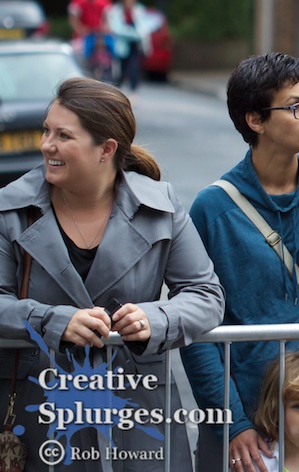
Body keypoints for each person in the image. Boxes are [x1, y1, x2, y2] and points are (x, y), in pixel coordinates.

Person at [0, 77, 225, 470]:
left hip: (139, 410)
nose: (47, 145)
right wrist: (51, 320)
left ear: (106, 149)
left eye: (63, 135)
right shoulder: (11, 208)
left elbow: (205, 294)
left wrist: (156, 319)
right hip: (41, 413)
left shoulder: (161, 206)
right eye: (47, 131)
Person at [181, 53, 299, 472]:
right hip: (245, 423)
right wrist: (231, 423)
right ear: (256, 120)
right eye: (296, 106)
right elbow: (195, 329)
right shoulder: (212, 210)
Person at [67, 0, 114, 81]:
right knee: (77, 56)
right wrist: (81, 30)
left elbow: (108, 19)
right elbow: (73, 19)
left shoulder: (104, 0)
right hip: (83, 37)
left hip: (99, 36)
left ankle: (105, 77)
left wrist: (103, 29)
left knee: (108, 54)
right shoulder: (78, 0)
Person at [105, 0, 150, 97]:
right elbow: (117, 29)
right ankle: (117, 91)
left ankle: (133, 91)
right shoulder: (115, 11)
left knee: (134, 68)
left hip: (135, 45)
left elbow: (144, 28)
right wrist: (134, 33)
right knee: (120, 70)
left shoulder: (139, 10)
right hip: (121, 45)